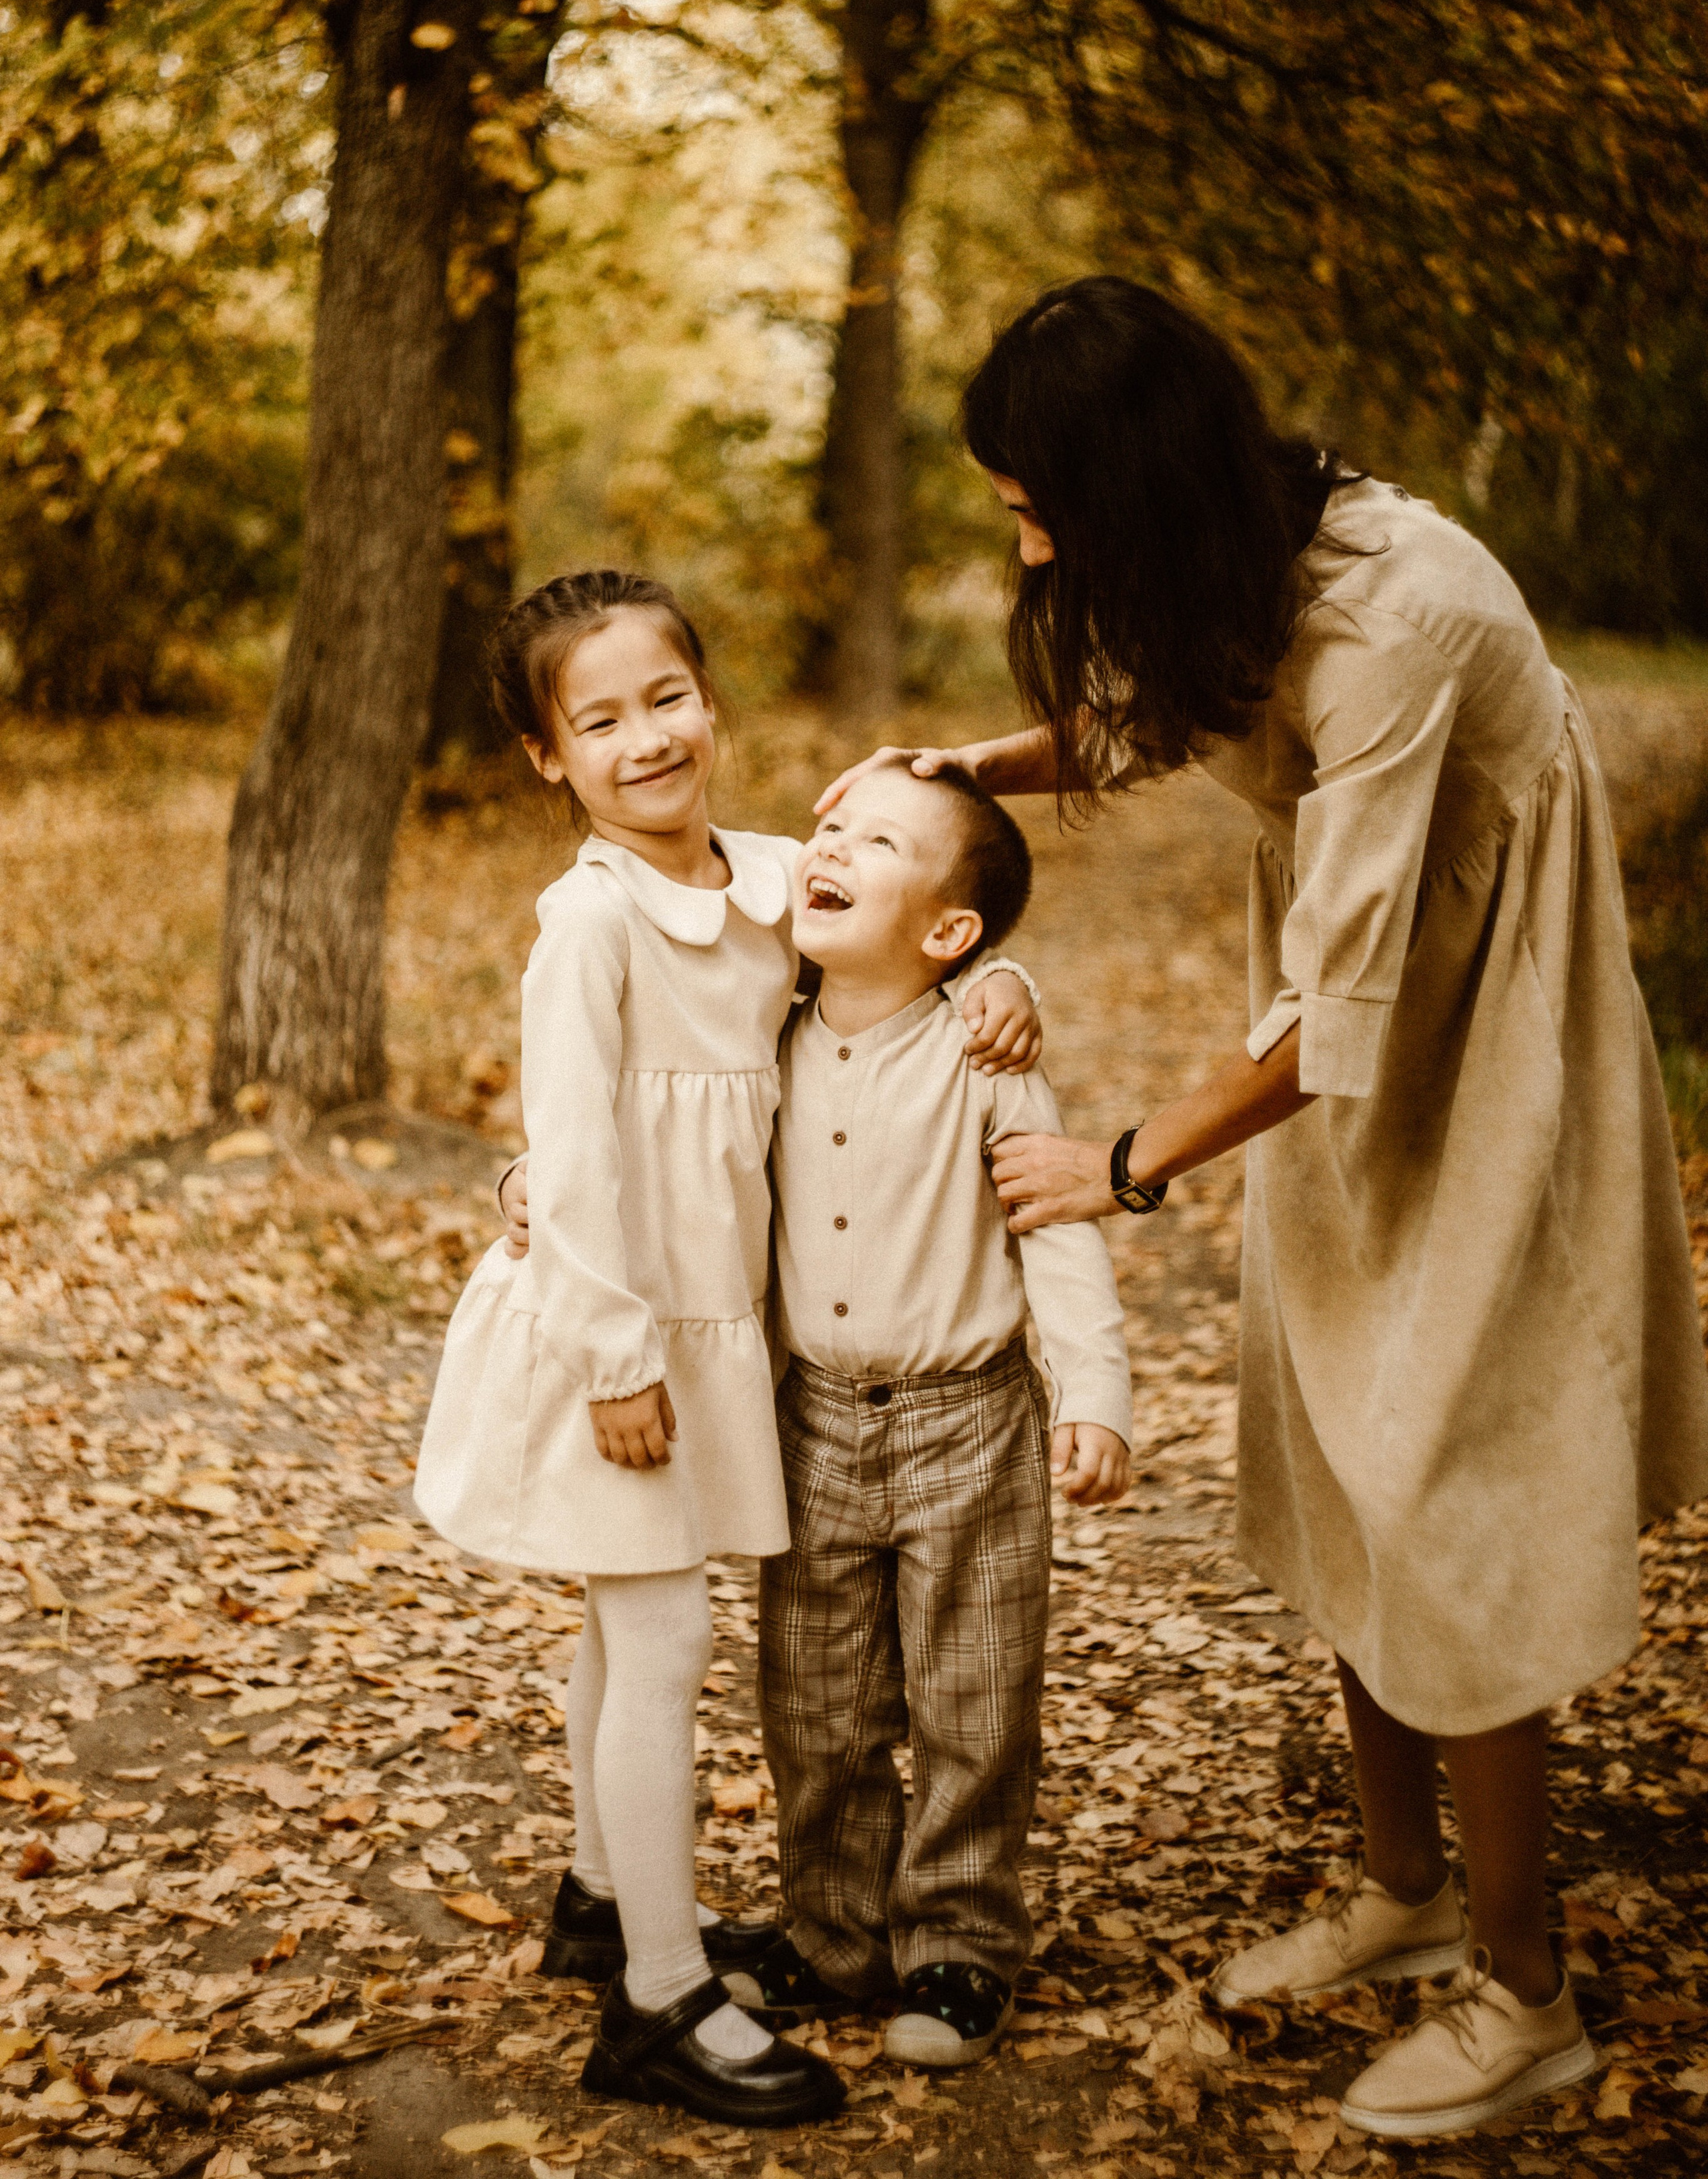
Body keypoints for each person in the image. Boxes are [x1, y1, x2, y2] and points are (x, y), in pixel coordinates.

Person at [817, 278, 1708, 2142]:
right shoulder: (1232, 566)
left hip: (1478, 1033)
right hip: (1334, 1035)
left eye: (1037, 506)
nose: (1028, 542)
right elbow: (1159, 723)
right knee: (1334, 1444)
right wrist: (978, 768)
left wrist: (1126, 1159)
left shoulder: (1394, 619)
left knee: (1447, 1471)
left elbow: (1351, 1001)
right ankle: (1402, 1895)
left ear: (1130, 485)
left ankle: (1526, 1993)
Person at [416, 568, 1037, 2128]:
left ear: (710, 701)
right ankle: (657, 1999)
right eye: (599, 722)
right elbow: (571, 1153)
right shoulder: (590, 925)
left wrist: (1004, 978)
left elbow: (909, 935)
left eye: (667, 698)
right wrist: (614, 1357)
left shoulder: (769, 881)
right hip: (614, 1337)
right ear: (547, 758)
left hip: (707, 1336)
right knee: (664, 1641)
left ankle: (599, 1894)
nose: (646, 739)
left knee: (621, 1630)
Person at [720, 758, 1132, 2070]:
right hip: (813, 1424)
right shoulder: (764, 1031)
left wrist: (1096, 1393)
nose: (832, 846)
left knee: (974, 1697)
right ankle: (833, 1931)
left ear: (949, 932)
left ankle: (958, 1943)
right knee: (817, 1702)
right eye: (830, 827)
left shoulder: (984, 1054)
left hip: (970, 1424)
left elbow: (1055, 1228)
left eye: (877, 842)